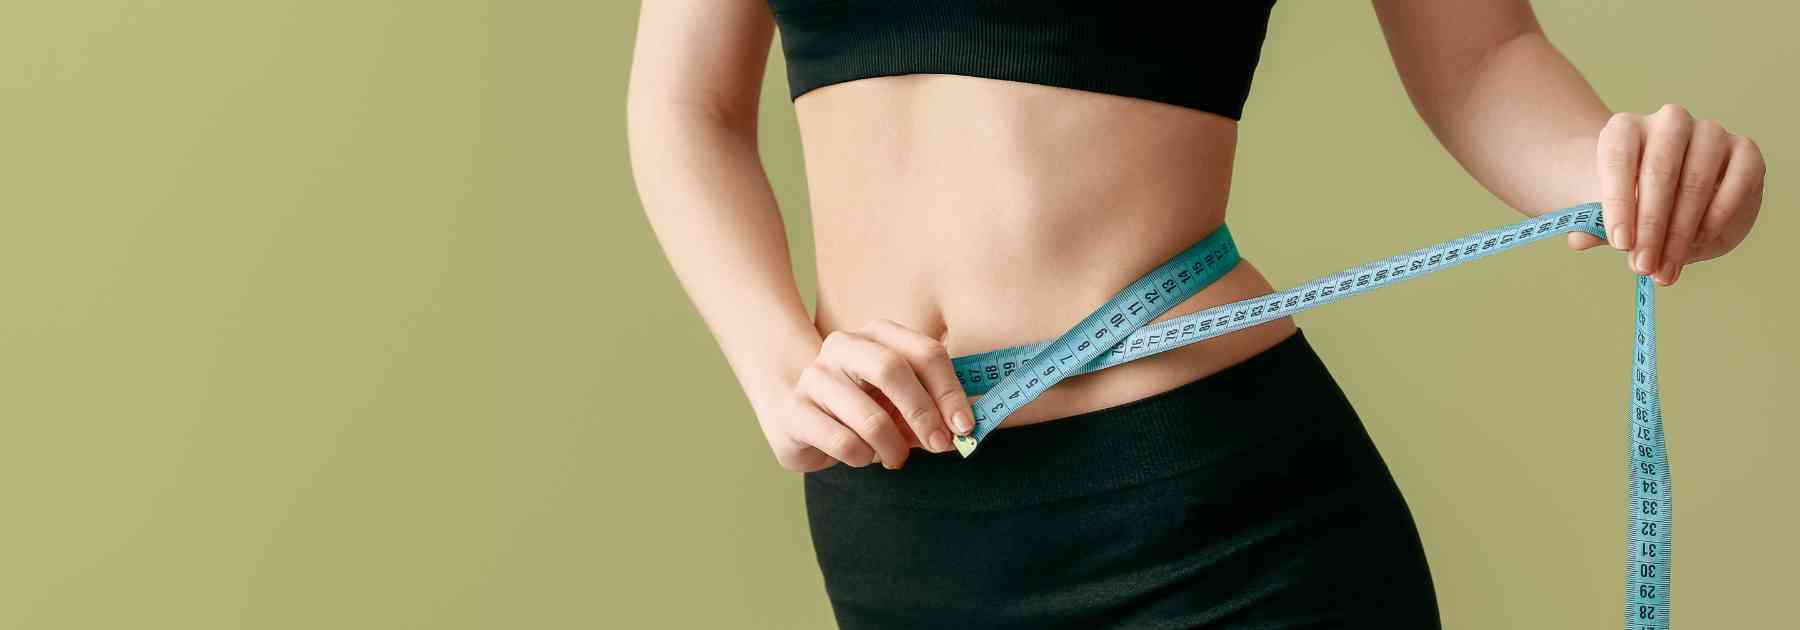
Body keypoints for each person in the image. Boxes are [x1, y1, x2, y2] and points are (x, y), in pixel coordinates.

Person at [626, 1, 1765, 627]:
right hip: (899, 546)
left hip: (1211, 523)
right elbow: (687, 104)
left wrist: (1627, 176)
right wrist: (780, 367)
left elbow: (1482, 57)